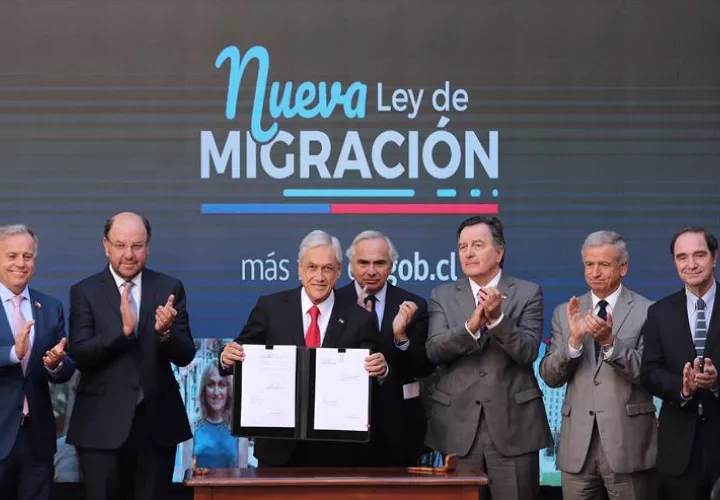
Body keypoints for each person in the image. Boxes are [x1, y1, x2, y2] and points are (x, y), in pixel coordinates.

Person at [220, 229, 386, 467]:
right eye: (312, 267)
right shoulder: (270, 307)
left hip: (337, 453)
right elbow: (242, 351)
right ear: (299, 269)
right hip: (278, 451)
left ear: (339, 272)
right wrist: (227, 357)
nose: (319, 276)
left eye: (327, 268)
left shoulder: (360, 318)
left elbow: (374, 375)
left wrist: (381, 369)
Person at [67, 212, 196, 500]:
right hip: (100, 427)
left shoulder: (169, 289)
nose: (129, 254)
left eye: (137, 246)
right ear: (106, 245)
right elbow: (80, 352)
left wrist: (165, 334)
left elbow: (186, 354)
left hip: (157, 425)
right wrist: (124, 331)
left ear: (148, 246)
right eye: (120, 245)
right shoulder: (84, 291)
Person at [425, 215, 551, 500]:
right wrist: (470, 327)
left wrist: (497, 321)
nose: (468, 253)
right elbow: (434, 351)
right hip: (457, 429)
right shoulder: (442, 295)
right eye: (462, 247)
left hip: (513, 427)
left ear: (499, 251)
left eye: (477, 245)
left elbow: (528, 351)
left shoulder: (527, 292)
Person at [540, 230, 656, 499]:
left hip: (628, 445)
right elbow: (549, 376)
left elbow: (648, 374)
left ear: (623, 267)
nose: (595, 272)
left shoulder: (647, 311)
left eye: (603, 264)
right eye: (589, 264)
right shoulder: (565, 311)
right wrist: (574, 341)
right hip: (577, 447)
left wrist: (610, 344)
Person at [336, 230, 434, 466]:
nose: (371, 270)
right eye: (363, 262)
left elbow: (423, 366)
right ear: (351, 264)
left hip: (398, 428)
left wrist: (400, 336)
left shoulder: (413, 305)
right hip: (343, 428)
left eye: (379, 263)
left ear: (391, 265)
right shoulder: (333, 302)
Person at [641, 227, 720, 500]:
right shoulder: (659, 313)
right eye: (682, 257)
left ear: (714, 257)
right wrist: (682, 388)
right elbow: (649, 372)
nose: (691, 264)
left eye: (699, 255)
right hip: (678, 451)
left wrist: (717, 381)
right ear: (674, 262)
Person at [0, 224, 75, 500]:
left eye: (28, 256)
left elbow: (66, 368)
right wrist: (13, 353)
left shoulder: (50, 306)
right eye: (12, 256)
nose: (21, 263)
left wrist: (55, 363)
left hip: (38, 441)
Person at [192, 365, 239, 468]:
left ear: (228, 389)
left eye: (221, 385)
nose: (216, 392)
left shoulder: (238, 430)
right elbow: (186, 476)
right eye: (211, 385)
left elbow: (243, 478)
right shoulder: (193, 428)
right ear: (204, 390)